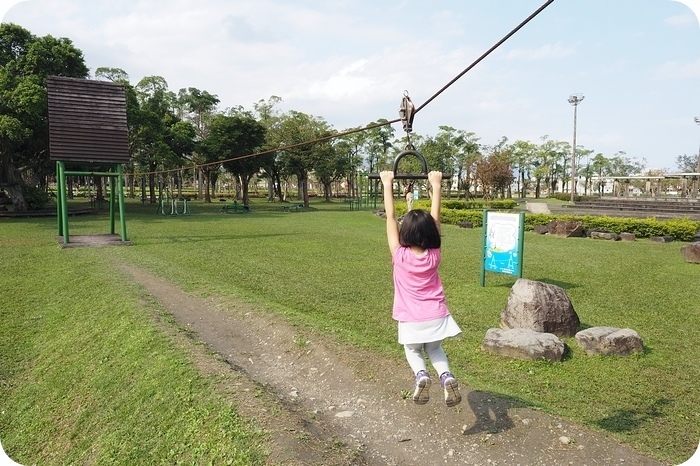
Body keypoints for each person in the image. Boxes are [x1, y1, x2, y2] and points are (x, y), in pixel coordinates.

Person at [379, 170, 462, 407]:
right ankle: (446, 376)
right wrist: (436, 186)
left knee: (413, 350)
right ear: (431, 234)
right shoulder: (434, 255)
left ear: (405, 233)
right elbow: (435, 221)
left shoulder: (399, 255)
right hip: (435, 315)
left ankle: (421, 375)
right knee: (434, 349)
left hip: (411, 318)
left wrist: (387, 184)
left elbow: (391, 218)